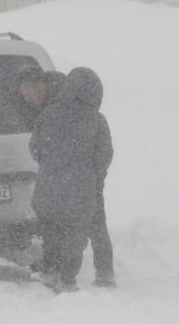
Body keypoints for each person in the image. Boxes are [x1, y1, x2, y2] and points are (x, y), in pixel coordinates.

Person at [15, 66, 116, 286]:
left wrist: (53, 169)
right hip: (83, 188)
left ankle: (53, 272)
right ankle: (97, 275)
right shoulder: (96, 120)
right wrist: (92, 176)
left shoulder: (48, 113)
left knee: (53, 231)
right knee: (85, 231)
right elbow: (105, 154)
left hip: (49, 189)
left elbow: (36, 149)